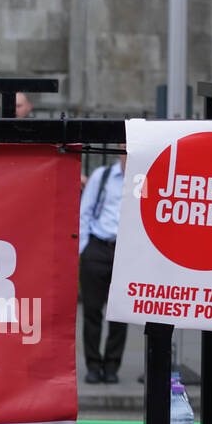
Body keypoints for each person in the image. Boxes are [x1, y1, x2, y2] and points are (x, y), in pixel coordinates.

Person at [79, 154, 127, 383]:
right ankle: (93, 365)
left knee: (120, 313)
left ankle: (112, 366)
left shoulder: (143, 179)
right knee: (92, 311)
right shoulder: (102, 176)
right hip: (98, 247)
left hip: (126, 250)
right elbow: (85, 211)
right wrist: (83, 249)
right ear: (120, 151)